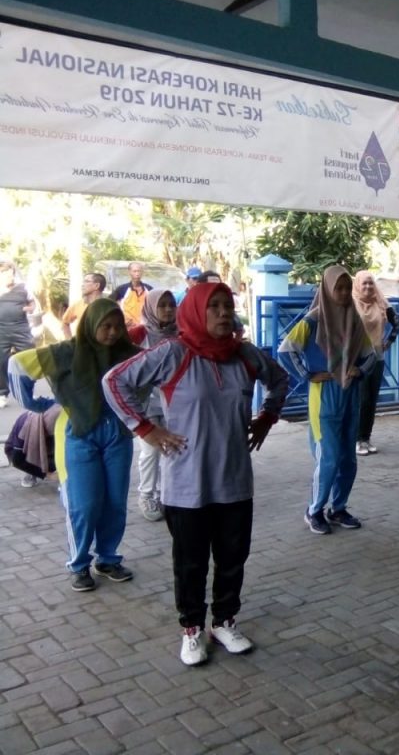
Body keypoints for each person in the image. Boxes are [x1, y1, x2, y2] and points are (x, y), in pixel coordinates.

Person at [103, 282, 288, 667]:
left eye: (228, 305)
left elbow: (280, 379)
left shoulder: (245, 355)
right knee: (191, 563)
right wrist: (146, 428)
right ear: (196, 311)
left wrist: (268, 416)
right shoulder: (174, 353)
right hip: (186, 484)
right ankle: (191, 628)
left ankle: (224, 622)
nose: (223, 312)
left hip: (234, 480)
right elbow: (114, 381)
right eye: (214, 306)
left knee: (233, 557)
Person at [8, 299, 139, 592]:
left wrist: (141, 414)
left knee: (115, 502)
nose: (112, 332)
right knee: (84, 504)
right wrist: (36, 404)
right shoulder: (66, 352)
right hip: (78, 434)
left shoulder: (128, 354)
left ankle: (108, 559)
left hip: (118, 435)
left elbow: (159, 371)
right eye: (105, 326)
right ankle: (79, 565)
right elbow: (18, 365)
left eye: (118, 326)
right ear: (90, 325)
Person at [277, 266, 375, 535]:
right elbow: (286, 350)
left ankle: (338, 508)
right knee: (329, 458)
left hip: (350, 396)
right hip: (324, 399)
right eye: (338, 288)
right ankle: (314, 510)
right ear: (327, 290)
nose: (343, 293)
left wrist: (359, 370)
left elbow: (371, 355)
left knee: (348, 461)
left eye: (347, 288)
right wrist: (308, 375)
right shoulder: (313, 320)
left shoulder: (355, 320)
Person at [126, 289, 179, 522]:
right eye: (162, 305)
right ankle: (147, 495)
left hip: (174, 402)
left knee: (172, 447)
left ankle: (165, 494)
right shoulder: (138, 334)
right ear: (150, 307)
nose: (168, 309)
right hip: (146, 403)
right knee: (150, 450)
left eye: (171, 304)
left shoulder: (181, 332)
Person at [352, 270, 399, 455]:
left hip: (377, 357)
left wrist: (389, 341)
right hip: (358, 358)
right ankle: (356, 440)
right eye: (364, 283)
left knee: (371, 400)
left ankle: (366, 438)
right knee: (361, 399)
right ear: (358, 284)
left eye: (371, 283)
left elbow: (397, 323)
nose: (368, 286)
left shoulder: (381, 302)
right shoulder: (351, 302)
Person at [0, 259, 37, 408]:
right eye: (4, 274)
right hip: (1, 330)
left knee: (28, 360)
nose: (8, 276)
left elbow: (32, 303)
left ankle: (28, 392)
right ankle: (2, 394)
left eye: (10, 274)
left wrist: (28, 308)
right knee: (1, 362)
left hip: (21, 329)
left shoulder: (23, 287)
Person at [4, 403, 60, 487]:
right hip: (18, 452)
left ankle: (40, 468)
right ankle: (31, 471)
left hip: (46, 444)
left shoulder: (57, 412)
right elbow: (17, 460)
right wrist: (49, 475)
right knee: (51, 464)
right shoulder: (26, 425)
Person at [62, 273, 106, 338]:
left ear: (97, 286)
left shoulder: (108, 306)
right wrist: (70, 341)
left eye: (86, 281)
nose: (82, 285)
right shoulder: (78, 304)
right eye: (83, 282)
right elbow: (65, 323)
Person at [111, 262, 152, 329]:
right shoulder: (122, 289)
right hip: (127, 328)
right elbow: (109, 304)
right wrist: (120, 319)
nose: (137, 274)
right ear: (129, 272)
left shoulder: (149, 289)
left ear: (142, 272)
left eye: (139, 271)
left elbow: (155, 307)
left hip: (145, 328)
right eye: (134, 271)